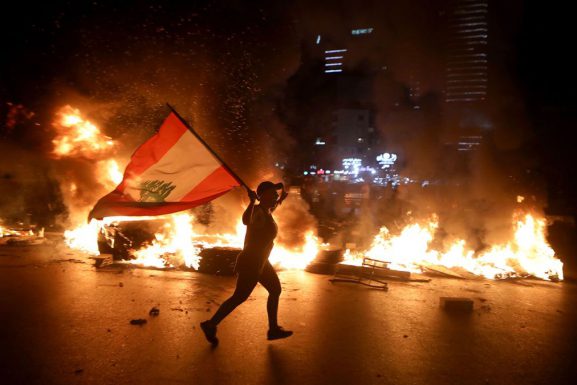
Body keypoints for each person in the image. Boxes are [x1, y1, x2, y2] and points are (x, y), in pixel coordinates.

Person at [200, 181, 293, 345]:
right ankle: (210, 324)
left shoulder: (266, 210)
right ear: (262, 196)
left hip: (261, 262)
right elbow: (245, 221)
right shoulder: (257, 211)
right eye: (273, 194)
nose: (276, 196)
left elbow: (272, 206)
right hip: (251, 261)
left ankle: (273, 329)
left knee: (275, 290)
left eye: (276, 195)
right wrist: (251, 202)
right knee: (239, 296)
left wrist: (280, 200)